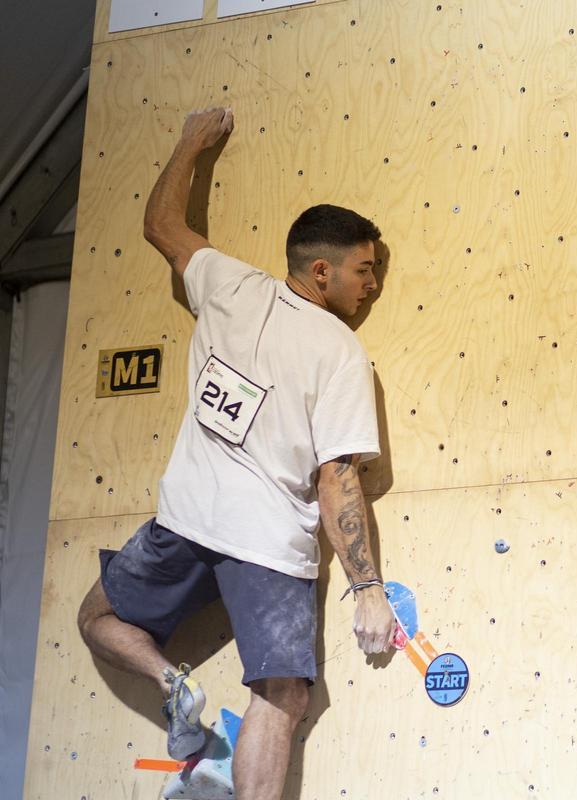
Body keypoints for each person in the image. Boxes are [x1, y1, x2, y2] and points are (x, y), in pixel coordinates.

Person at [75, 107, 397, 800]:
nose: (372, 286)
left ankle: (170, 684)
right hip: (266, 544)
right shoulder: (341, 351)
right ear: (321, 271)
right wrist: (367, 590)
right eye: (364, 272)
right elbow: (337, 475)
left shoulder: (228, 283)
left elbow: (160, 226)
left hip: (185, 519)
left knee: (95, 617)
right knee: (282, 695)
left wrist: (191, 143)